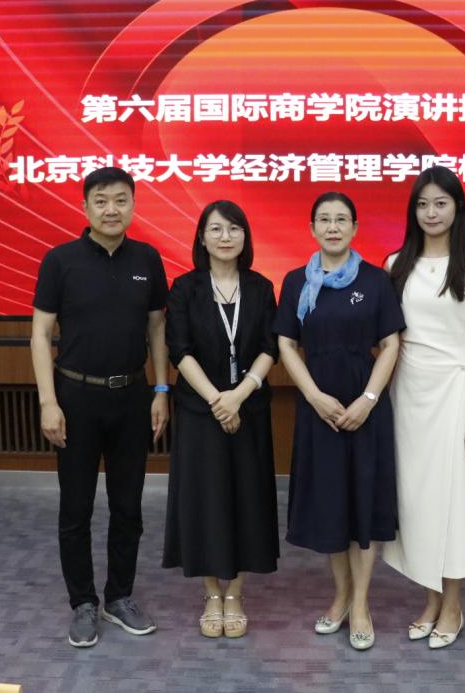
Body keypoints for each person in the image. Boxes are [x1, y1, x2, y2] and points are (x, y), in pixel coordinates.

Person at [31, 166, 170, 648]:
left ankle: (119, 597)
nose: (112, 209)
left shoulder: (147, 258)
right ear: (86, 207)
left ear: (133, 204)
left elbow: (157, 327)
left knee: (128, 506)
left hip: (132, 396)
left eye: (121, 200)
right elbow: (40, 334)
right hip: (75, 398)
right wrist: (48, 402)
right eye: (101, 201)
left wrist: (161, 390)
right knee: (76, 508)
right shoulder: (60, 261)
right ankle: (83, 602)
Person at [273, 191, 405, 651]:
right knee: (331, 506)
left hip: (366, 409)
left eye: (341, 219)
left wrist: (369, 398)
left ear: (354, 228)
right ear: (312, 228)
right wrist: (313, 396)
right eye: (324, 220)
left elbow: (390, 344)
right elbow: (286, 344)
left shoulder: (376, 280)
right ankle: (341, 596)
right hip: (319, 411)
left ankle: (362, 603)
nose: (332, 227)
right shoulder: (296, 281)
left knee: (363, 507)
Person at [381, 167, 465, 649]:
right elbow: (387, 338)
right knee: (417, 503)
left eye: (440, 203)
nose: (431, 212)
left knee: (454, 503)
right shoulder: (395, 263)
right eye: (423, 204)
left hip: (456, 390)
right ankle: (430, 599)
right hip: (407, 395)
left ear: (457, 208)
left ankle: (453, 605)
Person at [162, 200, 279, 639]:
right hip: (200, 411)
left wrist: (240, 395)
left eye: (234, 229)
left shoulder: (261, 287)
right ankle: (213, 592)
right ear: (202, 238)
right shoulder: (185, 288)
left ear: (245, 237)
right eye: (216, 229)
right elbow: (179, 349)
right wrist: (217, 401)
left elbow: (270, 346)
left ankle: (237, 593)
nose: (225, 237)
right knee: (205, 500)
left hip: (250, 409)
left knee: (248, 498)